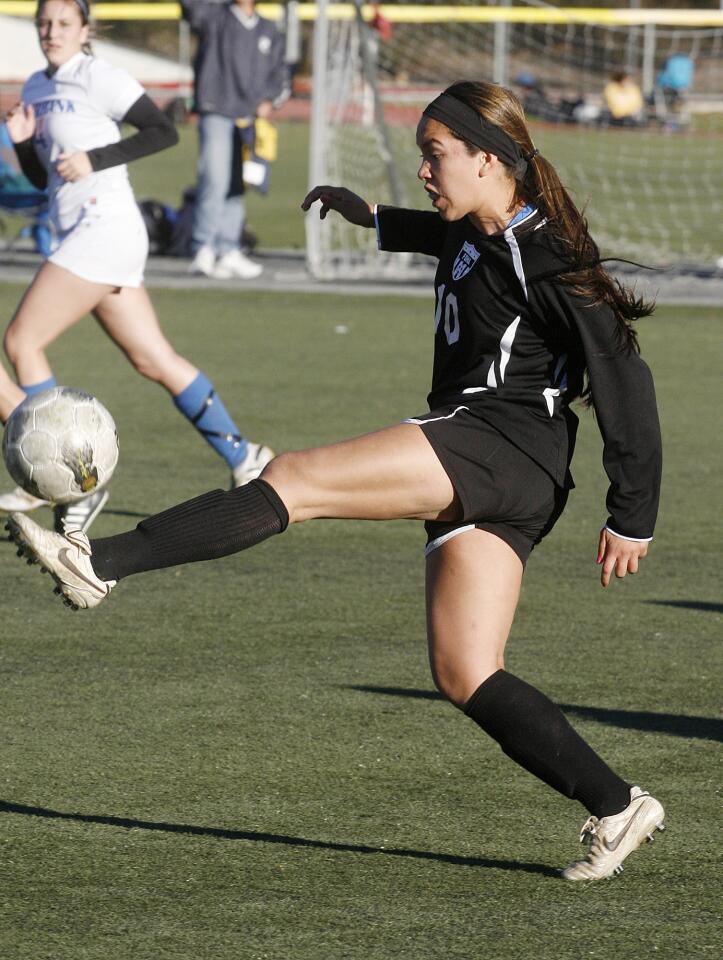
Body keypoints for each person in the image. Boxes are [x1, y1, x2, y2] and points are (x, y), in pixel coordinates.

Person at [7, 80, 665, 882]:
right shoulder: (476, 228)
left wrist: (632, 513)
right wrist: (373, 219)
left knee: (295, 478)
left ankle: (97, 563)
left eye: (435, 155)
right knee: (465, 672)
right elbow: (450, 239)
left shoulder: (547, 255)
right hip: (509, 472)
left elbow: (623, 376)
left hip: (498, 443)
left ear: (490, 161)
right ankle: (615, 803)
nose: (424, 170)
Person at [0, 0, 274, 532]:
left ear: (85, 29)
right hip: (87, 234)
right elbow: (42, 180)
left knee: (21, 343)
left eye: (63, 23)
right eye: (44, 23)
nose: (51, 32)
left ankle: (74, 483)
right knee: (153, 358)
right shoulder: (36, 85)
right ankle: (246, 457)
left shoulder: (97, 75)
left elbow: (161, 131)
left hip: (103, 230)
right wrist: (23, 143)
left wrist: (93, 159)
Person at [182, 0, 289, 279]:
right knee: (213, 179)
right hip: (217, 109)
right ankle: (203, 247)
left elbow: (279, 74)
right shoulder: (214, 16)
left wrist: (269, 100)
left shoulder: (267, 28)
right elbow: (190, 7)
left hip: (249, 118)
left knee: (237, 185)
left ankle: (228, 248)